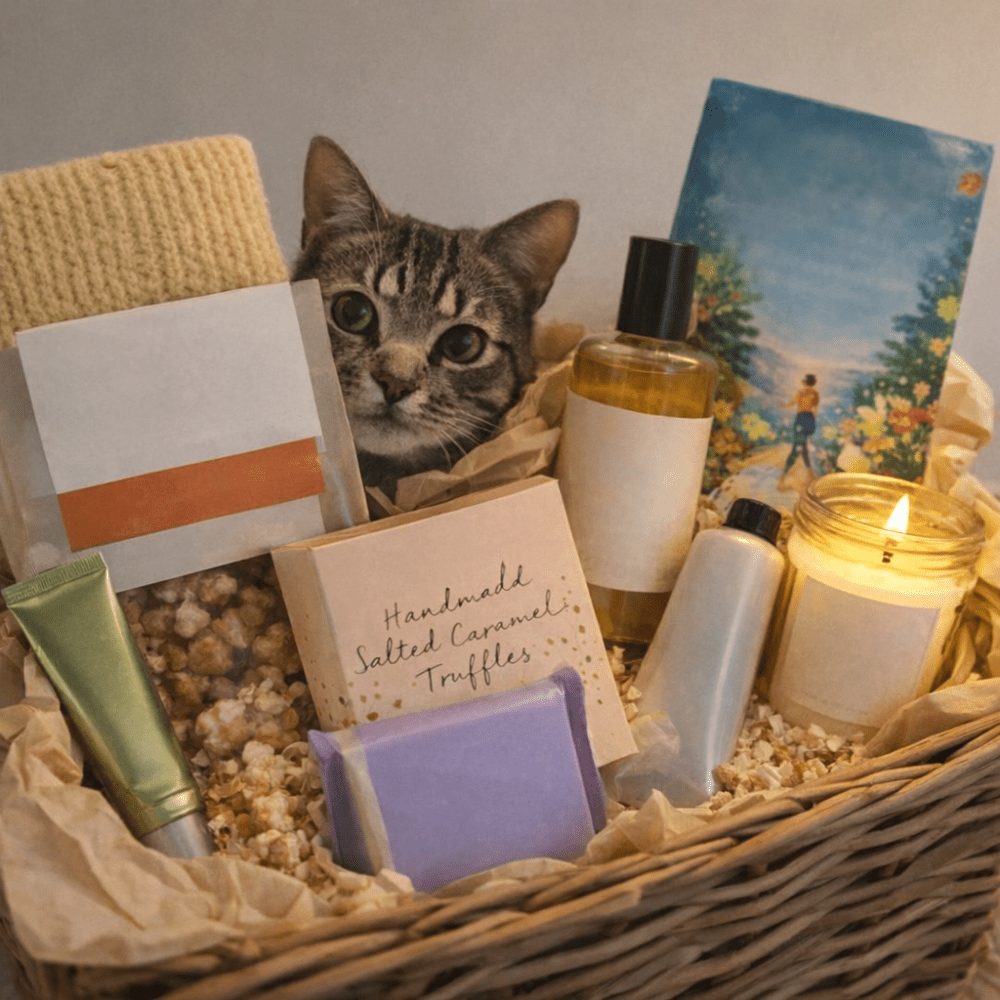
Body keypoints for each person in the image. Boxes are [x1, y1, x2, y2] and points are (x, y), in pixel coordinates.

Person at [780, 374, 819, 482]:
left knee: (797, 447)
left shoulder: (801, 392)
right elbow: (815, 410)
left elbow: (792, 403)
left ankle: (784, 474)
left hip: (801, 419)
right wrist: (812, 422)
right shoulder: (815, 394)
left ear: (805, 382)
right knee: (803, 447)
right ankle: (810, 473)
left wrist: (784, 405)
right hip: (809, 419)